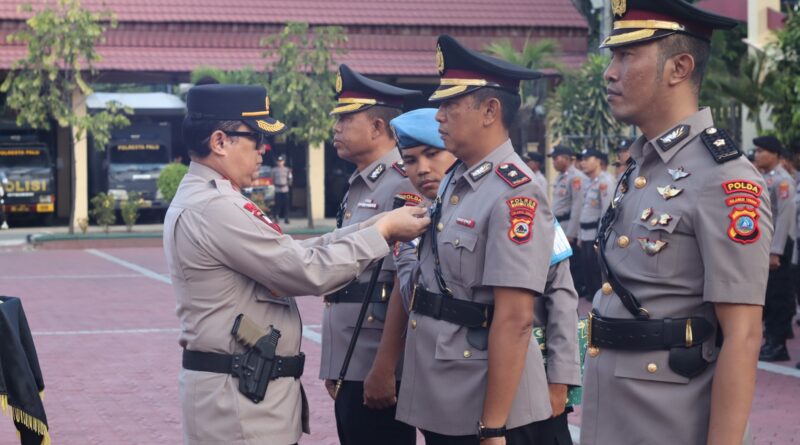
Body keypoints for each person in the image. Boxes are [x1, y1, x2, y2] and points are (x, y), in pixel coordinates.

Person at [162, 84, 429, 445]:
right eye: (256, 138)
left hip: (243, 392)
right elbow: (302, 269)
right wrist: (381, 232)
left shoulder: (211, 197)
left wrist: (373, 227)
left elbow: (290, 251)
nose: (263, 150)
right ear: (220, 141)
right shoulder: (214, 205)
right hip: (237, 404)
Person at [580, 1, 773, 444]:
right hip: (615, 410)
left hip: (668, 423)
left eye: (626, 56)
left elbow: (743, 335)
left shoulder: (724, 177)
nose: (610, 73)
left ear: (679, 68)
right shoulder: (642, 165)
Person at [376, 108, 581, 444]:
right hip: (449, 387)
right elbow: (420, 296)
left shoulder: (512, 196)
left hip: (521, 382)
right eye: (410, 161)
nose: (422, 169)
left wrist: (561, 380)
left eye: (432, 154)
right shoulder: (432, 211)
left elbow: (560, 292)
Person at [394, 34, 557, 445]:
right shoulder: (458, 179)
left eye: (450, 105)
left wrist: (493, 426)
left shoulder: (515, 191)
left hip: (485, 401)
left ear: (489, 111)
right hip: (446, 388)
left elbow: (516, 319)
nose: (438, 117)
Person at [320, 64, 421, 445]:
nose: (336, 128)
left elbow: (402, 281)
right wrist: (336, 360)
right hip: (351, 354)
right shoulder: (360, 184)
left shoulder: (403, 182)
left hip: (376, 357)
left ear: (378, 127)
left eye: (345, 119)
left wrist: (385, 366)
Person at [753, 135, 796, 361]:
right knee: (768, 296)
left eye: (761, 151)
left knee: (778, 296)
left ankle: (778, 345)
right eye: (756, 151)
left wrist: (776, 251)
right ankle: (771, 341)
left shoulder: (782, 181)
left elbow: (785, 217)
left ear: (775, 154)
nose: (757, 155)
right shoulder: (764, 177)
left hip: (779, 245)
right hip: (766, 244)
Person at [549, 145, 588, 297]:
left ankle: (574, 293)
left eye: (555, 158)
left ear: (566, 158)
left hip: (567, 225)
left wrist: (571, 233)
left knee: (572, 264)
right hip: (559, 225)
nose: (553, 162)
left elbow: (577, 206)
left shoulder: (576, 177)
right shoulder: (561, 176)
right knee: (562, 262)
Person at [577, 147, 613, 299]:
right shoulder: (589, 182)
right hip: (586, 233)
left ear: (598, 161)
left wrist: (600, 237)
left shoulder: (605, 182)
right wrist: (580, 235)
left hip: (596, 233)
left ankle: (600, 301)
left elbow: (606, 212)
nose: (583, 163)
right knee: (587, 268)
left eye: (587, 159)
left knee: (596, 270)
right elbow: (583, 209)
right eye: (582, 160)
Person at [272, 154, 292, 224]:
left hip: (285, 189)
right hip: (277, 189)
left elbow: (290, 178)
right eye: (279, 161)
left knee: (286, 205)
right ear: (277, 162)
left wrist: (289, 183)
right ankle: (276, 217)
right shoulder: (274, 170)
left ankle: (286, 218)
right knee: (278, 205)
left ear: (284, 162)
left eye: (281, 161)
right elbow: (272, 179)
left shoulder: (287, 170)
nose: (280, 162)